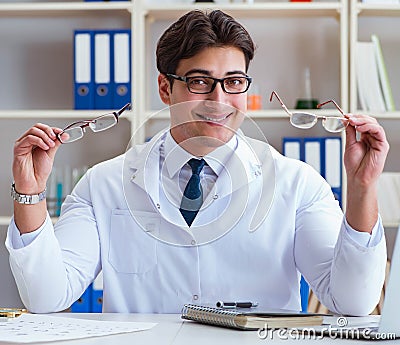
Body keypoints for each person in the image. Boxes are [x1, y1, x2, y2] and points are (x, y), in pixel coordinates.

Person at [6, 9, 389, 315]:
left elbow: (352, 301)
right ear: (164, 88)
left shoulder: (297, 183)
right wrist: (30, 192)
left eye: (234, 81)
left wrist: (362, 189)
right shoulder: (103, 183)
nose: (219, 100)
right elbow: (47, 297)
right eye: (200, 81)